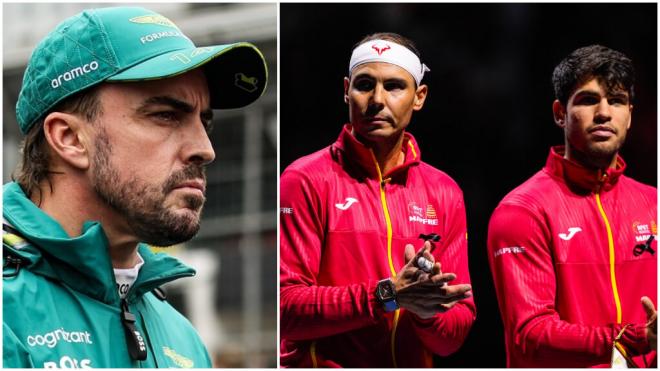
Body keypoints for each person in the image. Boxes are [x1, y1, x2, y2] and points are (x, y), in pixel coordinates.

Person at [3, 6, 267, 368]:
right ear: (70, 139)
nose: (205, 149)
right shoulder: (8, 312)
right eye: (165, 115)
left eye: (204, 121)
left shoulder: (182, 337)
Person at [280, 32, 475, 368]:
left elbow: (452, 337)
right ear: (346, 91)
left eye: (395, 86)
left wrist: (427, 314)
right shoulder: (305, 180)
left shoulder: (444, 192)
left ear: (419, 97)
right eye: (365, 84)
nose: (377, 99)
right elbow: (284, 309)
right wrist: (387, 295)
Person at [487, 45, 657, 367]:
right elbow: (530, 334)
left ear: (631, 116)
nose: (604, 113)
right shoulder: (522, 211)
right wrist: (632, 338)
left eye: (616, 101)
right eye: (589, 100)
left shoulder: (654, 205)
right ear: (559, 113)